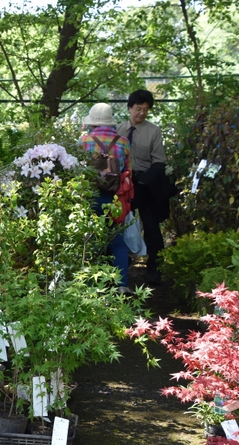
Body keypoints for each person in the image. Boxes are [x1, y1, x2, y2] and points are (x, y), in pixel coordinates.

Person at [116, 89, 174, 285]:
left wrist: (144, 179)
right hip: (124, 184)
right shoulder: (118, 130)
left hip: (145, 183)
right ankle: (122, 267)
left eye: (146, 110)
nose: (141, 113)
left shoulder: (153, 131)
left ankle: (154, 269)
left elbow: (159, 162)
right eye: (138, 109)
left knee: (151, 226)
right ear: (130, 108)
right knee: (120, 223)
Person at [78, 102, 132, 294]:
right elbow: (127, 171)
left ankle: (92, 286)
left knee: (90, 240)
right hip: (115, 197)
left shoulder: (84, 141)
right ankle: (121, 285)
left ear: (92, 122)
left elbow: (77, 171)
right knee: (117, 241)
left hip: (91, 197)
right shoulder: (123, 142)